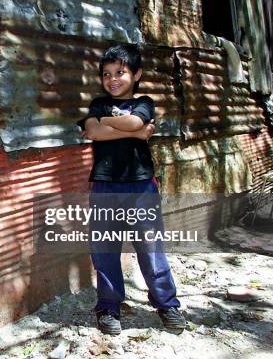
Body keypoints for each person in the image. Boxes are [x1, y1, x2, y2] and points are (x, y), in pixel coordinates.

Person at [77, 44, 186, 335]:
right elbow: (93, 131)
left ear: (136, 74)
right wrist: (135, 132)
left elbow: (131, 121)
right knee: (104, 249)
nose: (113, 79)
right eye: (107, 74)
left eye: (120, 73)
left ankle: (166, 304)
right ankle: (108, 307)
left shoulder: (145, 102)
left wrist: (112, 125)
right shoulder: (97, 104)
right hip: (104, 187)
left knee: (150, 248)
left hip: (140, 187)